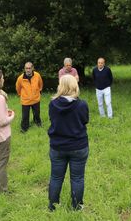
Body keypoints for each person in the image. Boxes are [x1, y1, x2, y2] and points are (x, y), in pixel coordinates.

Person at [47, 75, 89, 211]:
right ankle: (77, 206)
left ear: (61, 86)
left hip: (58, 146)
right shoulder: (81, 105)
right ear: (74, 85)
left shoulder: (53, 104)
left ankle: (53, 206)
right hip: (78, 146)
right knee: (77, 178)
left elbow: (52, 119)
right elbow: (85, 120)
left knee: (56, 177)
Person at [15, 62, 43, 132]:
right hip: (25, 100)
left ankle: (38, 123)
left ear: (32, 68)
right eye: (26, 68)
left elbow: (40, 84)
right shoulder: (20, 78)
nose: (28, 70)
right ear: (24, 69)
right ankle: (24, 128)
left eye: (29, 68)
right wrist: (20, 95)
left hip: (36, 99)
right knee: (25, 116)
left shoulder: (37, 75)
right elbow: (18, 88)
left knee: (37, 113)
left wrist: (39, 91)